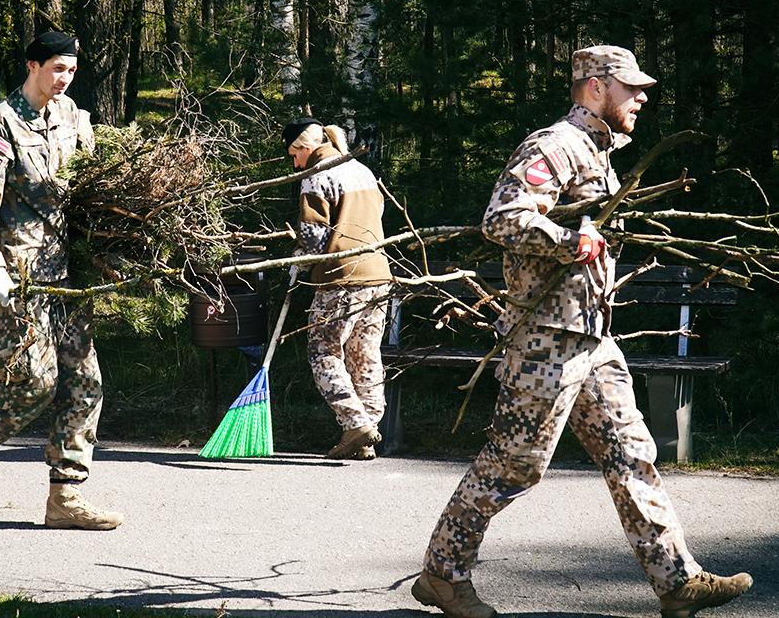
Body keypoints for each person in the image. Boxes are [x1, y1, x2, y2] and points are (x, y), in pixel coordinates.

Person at [410, 46, 752, 618]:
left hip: (590, 335)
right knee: (514, 464)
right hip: (546, 339)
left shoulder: (600, 150)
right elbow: (503, 218)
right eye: (631, 87)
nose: (641, 97)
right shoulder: (555, 145)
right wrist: (570, 242)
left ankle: (678, 582)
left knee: (632, 452)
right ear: (596, 87)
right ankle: (442, 576)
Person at [0, 30, 123, 531]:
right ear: (32, 66)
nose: (65, 79)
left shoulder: (73, 118)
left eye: (72, 71)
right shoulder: (1, 122)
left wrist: (107, 252)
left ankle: (67, 498)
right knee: (34, 384)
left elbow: (86, 197)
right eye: (57, 68)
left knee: (85, 383)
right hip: (22, 278)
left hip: (68, 277)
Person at [283, 118, 393, 460]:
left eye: (293, 156)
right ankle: (367, 434)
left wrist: (295, 263)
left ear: (302, 148)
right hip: (379, 275)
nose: (294, 164)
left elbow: (315, 239)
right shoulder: (361, 170)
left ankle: (356, 422)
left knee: (323, 353)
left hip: (341, 278)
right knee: (366, 357)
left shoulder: (316, 176)